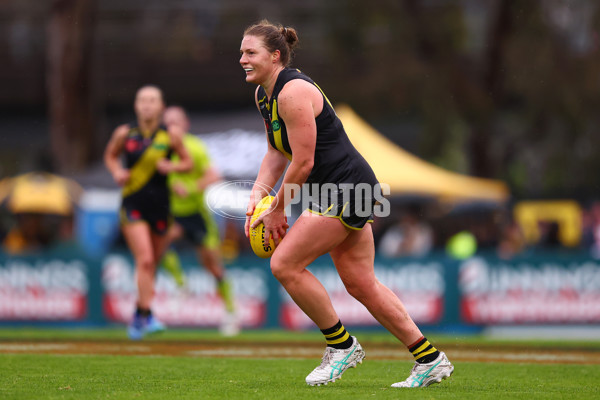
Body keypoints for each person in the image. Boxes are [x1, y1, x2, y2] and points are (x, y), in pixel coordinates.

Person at [240, 20, 453, 388]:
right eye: (241, 52)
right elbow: (277, 151)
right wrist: (259, 192)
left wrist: (277, 208)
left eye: (250, 52)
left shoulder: (291, 92)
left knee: (285, 264)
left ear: (275, 56)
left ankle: (341, 346)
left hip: (346, 188)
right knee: (361, 283)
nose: (242, 59)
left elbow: (303, 162)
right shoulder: (265, 95)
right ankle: (430, 358)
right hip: (340, 188)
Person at [104, 85, 192, 340]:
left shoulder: (171, 135)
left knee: (151, 263)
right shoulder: (125, 133)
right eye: (142, 100)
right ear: (136, 105)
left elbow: (187, 163)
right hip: (133, 206)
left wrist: (171, 166)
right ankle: (148, 315)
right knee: (144, 260)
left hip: (162, 207)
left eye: (152, 100)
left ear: (161, 107)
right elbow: (110, 156)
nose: (147, 105)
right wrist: (117, 172)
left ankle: (140, 314)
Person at [161, 105, 239, 336]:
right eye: (167, 123)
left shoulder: (195, 147)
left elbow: (215, 175)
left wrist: (190, 187)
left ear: (186, 124)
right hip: (175, 214)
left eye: (176, 122)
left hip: (197, 214)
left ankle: (231, 312)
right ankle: (180, 286)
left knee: (212, 266)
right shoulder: (161, 149)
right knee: (158, 242)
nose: (171, 127)